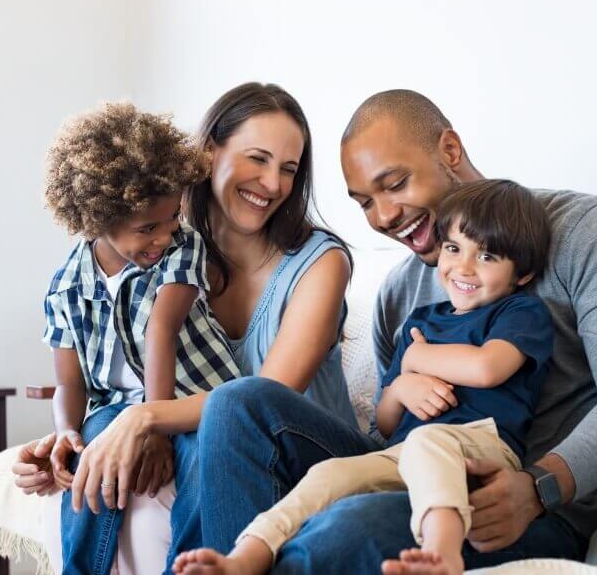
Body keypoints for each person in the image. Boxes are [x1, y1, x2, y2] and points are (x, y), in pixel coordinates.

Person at [178, 89, 597, 574]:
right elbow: (388, 433)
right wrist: (400, 388)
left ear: (450, 152)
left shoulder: (583, 229)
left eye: (394, 184)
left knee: (346, 529)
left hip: (519, 502)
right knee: (237, 402)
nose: (385, 217)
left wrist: (540, 486)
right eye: (364, 203)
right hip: (408, 467)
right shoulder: (399, 292)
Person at [12, 83, 358, 575]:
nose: (274, 183)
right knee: (110, 434)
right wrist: (70, 439)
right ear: (209, 151)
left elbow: (265, 399)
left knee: (225, 416)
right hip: (210, 434)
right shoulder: (161, 244)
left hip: (304, 450)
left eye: (288, 168)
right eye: (257, 158)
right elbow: (107, 366)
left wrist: (146, 417)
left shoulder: (319, 263)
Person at [172, 179, 554, 575]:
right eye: (454, 248)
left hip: (482, 449)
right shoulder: (421, 321)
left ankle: (443, 553)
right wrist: (403, 384)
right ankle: (245, 557)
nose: (463, 267)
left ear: (522, 273)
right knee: (329, 474)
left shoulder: (518, 312)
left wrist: (418, 358)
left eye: (487, 256)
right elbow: (386, 422)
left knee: (429, 439)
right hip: (402, 454)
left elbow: (487, 368)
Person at [40, 102, 239, 575]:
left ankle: (190, 567)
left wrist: (155, 425)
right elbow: (70, 384)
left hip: (195, 397)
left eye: (171, 219)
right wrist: (68, 429)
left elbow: (161, 330)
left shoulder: (182, 245)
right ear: (96, 219)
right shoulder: (66, 286)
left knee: (201, 460)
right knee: (93, 453)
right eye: (147, 228)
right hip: (115, 407)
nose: (163, 236)